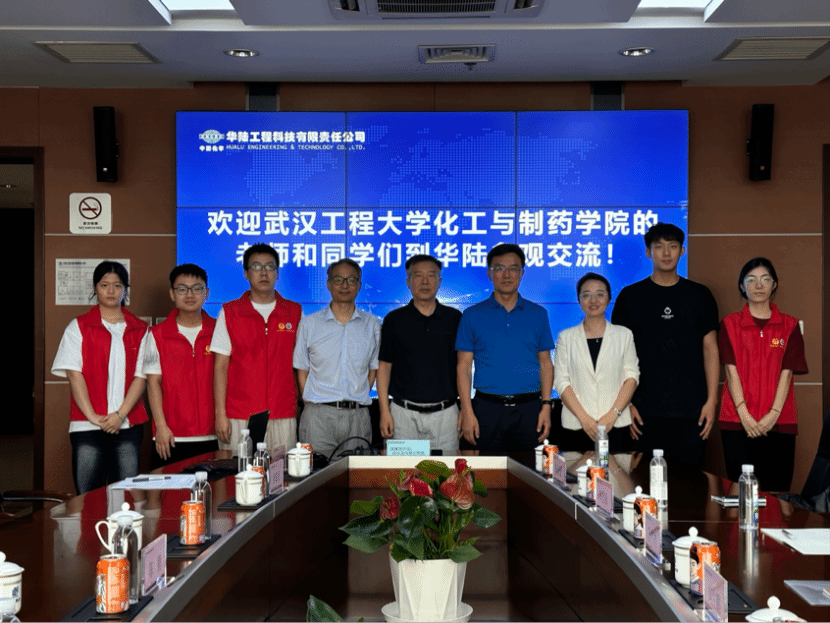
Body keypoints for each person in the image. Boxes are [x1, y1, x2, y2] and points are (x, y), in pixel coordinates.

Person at [611, 222, 719, 468]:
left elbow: (711, 350)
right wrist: (626, 405)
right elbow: (617, 354)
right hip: (643, 411)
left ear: (682, 251)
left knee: (690, 483)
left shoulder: (700, 295)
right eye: (659, 247)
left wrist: (711, 402)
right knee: (643, 484)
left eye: (673, 246)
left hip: (692, 411)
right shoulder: (630, 296)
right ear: (648, 252)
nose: (666, 253)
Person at [51, 261, 148, 494]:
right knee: (87, 496)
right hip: (86, 425)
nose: (111, 291)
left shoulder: (141, 329)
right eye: (104, 285)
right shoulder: (78, 326)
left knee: (125, 496)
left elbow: (141, 377)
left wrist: (119, 415)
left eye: (118, 285)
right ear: (95, 288)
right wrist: (93, 417)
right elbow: (74, 374)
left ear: (125, 289)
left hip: (127, 424)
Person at [718, 257, 808, 492]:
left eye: (765, 279)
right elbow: (731, 372)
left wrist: (772, 416)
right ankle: (747, 521)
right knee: (742, 493)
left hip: (780, 423)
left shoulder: (789, 326)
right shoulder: (729, 324)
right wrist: (744, 415)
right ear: (742, 286)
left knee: (776, 494)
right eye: (751, 280)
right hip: (737, 423)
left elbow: (786, 374)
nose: (758, 285)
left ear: (774, 284)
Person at [456, 244, 554, 453]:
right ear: (489, 273)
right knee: (488, 471)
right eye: (499, 268)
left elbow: (545, 363)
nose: (506, 274)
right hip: (486, 409)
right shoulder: (472, 315)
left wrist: (546, 405)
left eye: (513, 268)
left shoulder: (538, 314)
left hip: (529, 409)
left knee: (529, 470)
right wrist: (467, 411)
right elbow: (463, 367)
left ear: (522, 273)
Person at [210, 243, 302, 453]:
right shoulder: (230, 312)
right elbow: (220, 367)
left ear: (277, 273)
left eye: (270, 266)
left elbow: (301, 365)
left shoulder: (294, 312)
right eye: (257, 267)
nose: (264, 272)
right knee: (240, 471)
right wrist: (220, 414)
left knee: (280, 472)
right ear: (246, 273)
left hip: (282, 413)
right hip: (239, 415)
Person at [293, 258, 380, 458]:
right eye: (338, 279)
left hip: (357, 417)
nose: (344, 285)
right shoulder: (310, 324)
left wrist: (356, 396)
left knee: (357, 475)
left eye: (351, 280)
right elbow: (302, 369)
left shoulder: (372, 325)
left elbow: (373, 369)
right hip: (318, 417)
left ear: (359, 285)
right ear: (328, 284)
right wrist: (312, 404)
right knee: (316, 474)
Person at [377, 254, 462, 455]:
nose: (425, 282)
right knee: (403, 472)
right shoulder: (394, 320)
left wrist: (465, 409)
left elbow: (463, 367)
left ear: (439, 282)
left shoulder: (455, 319)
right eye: (418, 275)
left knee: (445, 472)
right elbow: (384, 367)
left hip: (445, 416)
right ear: (408, 282)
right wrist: (384, 411)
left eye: (431, 276)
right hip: (403, 416)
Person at [554, 272, 639, 451]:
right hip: (576, 425)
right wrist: (584, 418)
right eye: (586, 295)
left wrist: (612, 414)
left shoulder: (624, 335)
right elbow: (561, 381)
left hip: (616, 424)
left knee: (614, 468)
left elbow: (631, 378)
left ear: (609, 298)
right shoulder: (566, 337)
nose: (593, 300)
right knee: (577, 469)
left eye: (600, 294)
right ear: (579, 300)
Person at [144, 263, 217, 468]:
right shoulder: (156, 335)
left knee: (216, 488)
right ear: (172, 294)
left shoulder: (220, 331)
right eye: (182, 289)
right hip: (171, 436)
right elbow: (153, 384)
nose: (190, 294)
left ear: (206, 293)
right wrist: (161, 426)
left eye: (197, 288)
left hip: (215, 434)